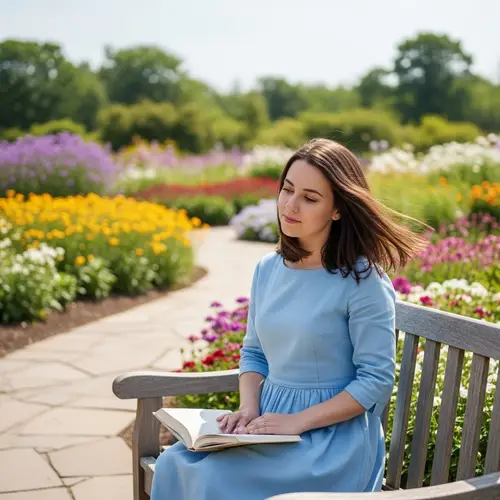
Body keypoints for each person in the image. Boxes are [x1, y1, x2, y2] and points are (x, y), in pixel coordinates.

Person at [151, 138, 428, 500]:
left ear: (338, 209)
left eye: (310, 198)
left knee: (212, 480)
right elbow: (253, 352)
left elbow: (375, 379)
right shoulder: (268, 268)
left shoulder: (364, 282)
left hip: (330, 441)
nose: (290, 205)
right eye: (287, 190)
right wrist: (248, 408)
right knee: (176, 462)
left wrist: (297, 421)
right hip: (268, 423)